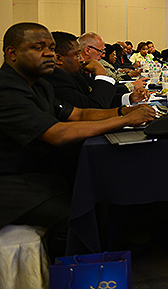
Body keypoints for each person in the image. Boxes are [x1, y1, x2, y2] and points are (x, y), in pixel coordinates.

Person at [0, 23, 155, 260]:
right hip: (11, 181)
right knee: (75, 216)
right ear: (12, 53)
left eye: (52, 48)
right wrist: (125, 120)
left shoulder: (39, 84)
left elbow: (79, 114)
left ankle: (109, 249)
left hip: (39, 173)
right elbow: (57, 133)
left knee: (99, 193)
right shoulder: (6, 89)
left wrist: (123, 111)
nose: (49, 54)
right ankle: (66, 270)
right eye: (39, 48)